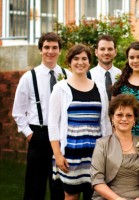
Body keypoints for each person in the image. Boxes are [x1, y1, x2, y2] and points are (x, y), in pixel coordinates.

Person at [48, 44, 112, 200]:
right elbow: (53, 124)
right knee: (71, 195)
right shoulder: (60, 88)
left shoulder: (100, 88)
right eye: (76, 59)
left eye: (84, 58)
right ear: (69, 62)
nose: (80, 62)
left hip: (96, 152)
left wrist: (109, 152)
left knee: (96, 194)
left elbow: (105, 122)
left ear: (89, 62)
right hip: (71, 153)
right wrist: (58, 154)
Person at [12, 32, 71, 200]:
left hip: (61, 137)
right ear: (40, 50)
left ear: (60, 51)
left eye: (54, 47)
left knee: (59, 187)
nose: (50, 51)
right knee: (34, 188)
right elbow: (18, 111)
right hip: (38, 135)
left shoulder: (68, 76)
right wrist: (30, 134)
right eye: (46, 47)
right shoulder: (28, 77)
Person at [90, 94, 139, 200]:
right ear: (112, 118)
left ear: (134, 119)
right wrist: (118, 199)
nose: (124, 119)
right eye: (119, 115)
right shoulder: (102, 144)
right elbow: (97, 180)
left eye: (129, 115)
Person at [89, 35, 121, 101]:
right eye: (102, 49)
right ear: (96, 52)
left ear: (115, 52)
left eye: (110, 49)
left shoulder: (122, 75)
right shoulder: (89, 76)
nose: (106, 53)